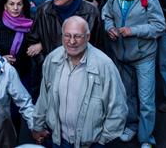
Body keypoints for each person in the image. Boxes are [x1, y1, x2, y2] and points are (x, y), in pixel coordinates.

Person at [32, 16, 127, 147]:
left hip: (91, 144)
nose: (71, 41)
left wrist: (102, 141)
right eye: (67, 36)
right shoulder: (52, 59)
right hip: (59, 140)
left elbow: (118, 108)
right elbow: (44, 97)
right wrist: (37, 125)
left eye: (77, 36)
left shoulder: (104, 65)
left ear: (87, 37)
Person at [102, 0, 166, 147]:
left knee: (146, 99)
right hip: (121, 55)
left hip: (143, 56)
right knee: (127, 94)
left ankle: (146, 138)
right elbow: (106, 15)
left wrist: (134, 30)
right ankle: (131, 125)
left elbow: (159, 26)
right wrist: (110, 28)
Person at [27, 0, 102, 60]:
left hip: (81, 67)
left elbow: (98, 45)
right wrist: (45, 62)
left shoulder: (91, 12)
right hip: (52, 67)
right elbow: (32, 41)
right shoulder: (43, 10)